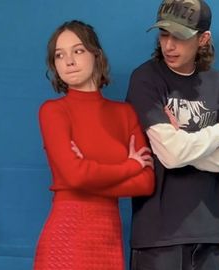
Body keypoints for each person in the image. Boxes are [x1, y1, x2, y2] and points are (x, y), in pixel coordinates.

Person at [33, 20, 154, 270]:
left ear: (96, 55)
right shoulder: (53, 111)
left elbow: (146, 183)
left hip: (108, 236)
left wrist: (86, 172)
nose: (68, 61)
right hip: (65, 236)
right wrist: (130, 165)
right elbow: (76, 177)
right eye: (59, 55)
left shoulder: (124, 113)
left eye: (78, 51)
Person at [126, 0, 219, 269]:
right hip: (157, 233)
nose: (169, 45)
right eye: (163, 34)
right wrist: (218, 131)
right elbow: (171, 155)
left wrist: (183, 144)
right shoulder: (146, 79)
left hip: (210, 230)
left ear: (203, 39)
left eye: (180, 37)